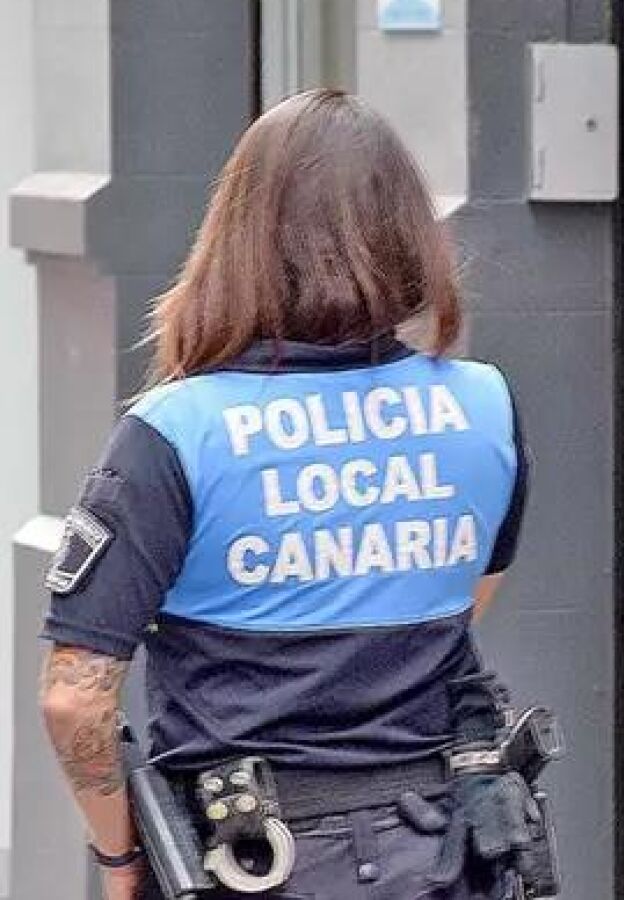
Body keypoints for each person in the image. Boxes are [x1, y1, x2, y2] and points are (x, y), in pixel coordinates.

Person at [37, 89, 537, 900]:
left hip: (251, 862)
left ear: (237, 238)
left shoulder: (176, 433)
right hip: (443, 853)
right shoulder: (484, 406)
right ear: (409, 234)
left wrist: (121, 857)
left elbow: (75, 698)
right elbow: (458, 604)